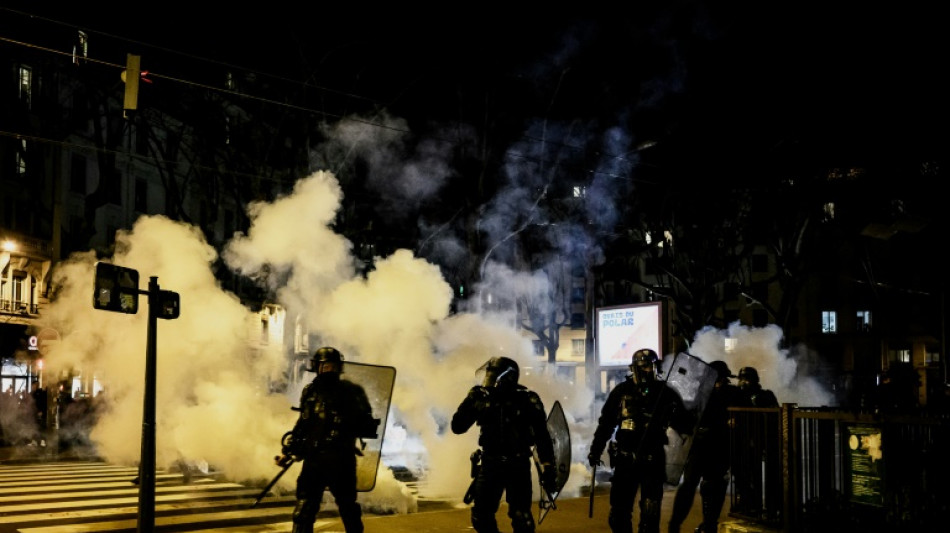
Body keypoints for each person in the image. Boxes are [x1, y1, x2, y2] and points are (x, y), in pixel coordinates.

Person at [587, 349, 695, 533]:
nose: (646, 370)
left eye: (649, 366)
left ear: (655, 367)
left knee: (650, 515)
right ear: (634, 368)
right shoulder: (622, 391)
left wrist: (682, 416)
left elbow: (684, 425)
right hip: (625, 458)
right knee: (619, 515)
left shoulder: (666, 393)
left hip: (652, 459)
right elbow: (606, 423)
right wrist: (595, 449)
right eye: (642, 366)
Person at [275, 347, 380, 533]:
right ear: (317, 367)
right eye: (325, 366)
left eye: (332, 366)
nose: (328, 370)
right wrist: (288, 452)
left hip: (342, 461)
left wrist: (348, 425)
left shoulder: (352, 392)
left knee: (349, 510)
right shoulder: (310, 392)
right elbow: (303, 425)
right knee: (303, 511)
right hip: (313, 461)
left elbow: (367, 424)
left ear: (339, 368)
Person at [451, 356, 558, 533]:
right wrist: (471, 402)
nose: (489, 380)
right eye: (488, 376)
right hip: (490, 463)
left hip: (518, 464)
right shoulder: (482, 397)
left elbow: (542, 436)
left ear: (507, 378)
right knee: (481, 516)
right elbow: (458, 427)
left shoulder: (527, 400)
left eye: (493, 377)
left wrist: (548, 466)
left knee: (520, 516)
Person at [668, 361, 742, 533]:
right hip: (699, 445)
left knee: (714, 485)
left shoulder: (732, 393)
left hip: (721, 445)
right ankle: (675, 524)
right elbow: (680, 417)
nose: (719, 382)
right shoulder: (698, 393)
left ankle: (709, 524)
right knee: (689, 485)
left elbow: (744, 413)